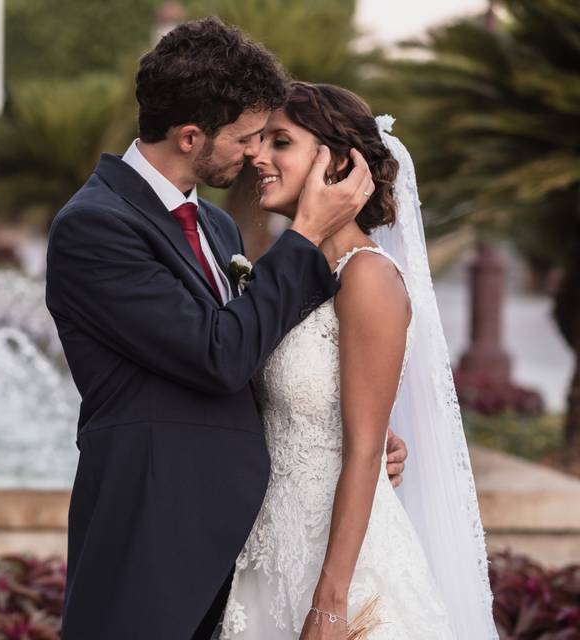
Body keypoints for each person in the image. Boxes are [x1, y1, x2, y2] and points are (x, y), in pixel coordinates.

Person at [44, 19, 407, 639]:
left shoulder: (217, 231)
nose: (253, 155)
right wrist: (306, 236)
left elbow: (259, 347)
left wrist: (348, 420)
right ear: (191, 136)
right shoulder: (95, 227)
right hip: (151, 536)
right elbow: (217, 355)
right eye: (245, 138)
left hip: (249, 545)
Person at [220, 82, 498, 639]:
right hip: (268, 552)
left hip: (340, 567)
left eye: (281, 143)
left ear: (337, 165)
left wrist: (329, 601)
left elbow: (366, 450)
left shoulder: (367, 275)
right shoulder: (284, 273)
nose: (258, 157)